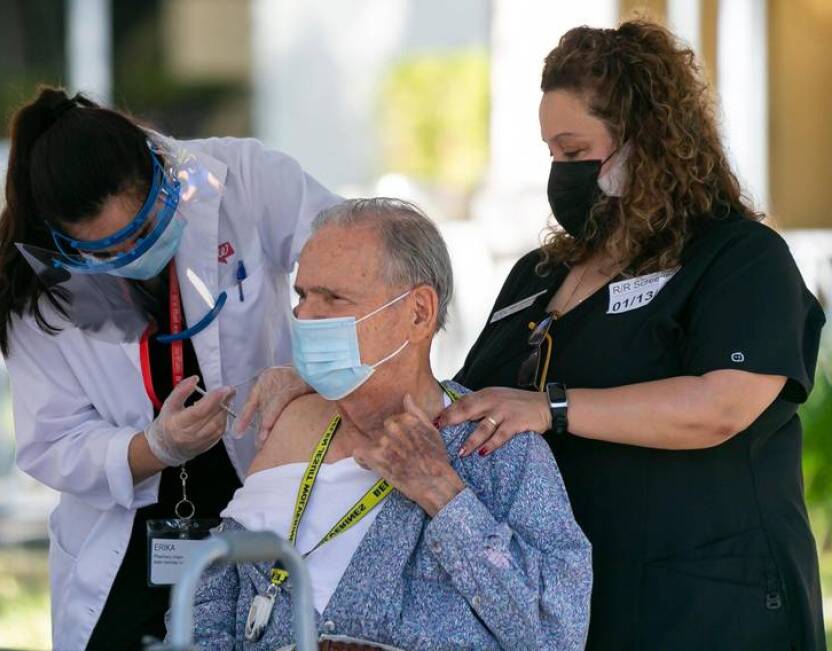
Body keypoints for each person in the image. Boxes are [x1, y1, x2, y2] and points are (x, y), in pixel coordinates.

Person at [241, 21, 827, 650]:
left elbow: (723, 406)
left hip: (709, 603)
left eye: (575, 153)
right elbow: (451, 393)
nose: (561, 173)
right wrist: (322, 365)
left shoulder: (737, 258)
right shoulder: (539, 275)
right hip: (568, 604)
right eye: (551, 154)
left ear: (648, 143)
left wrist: (552, 408)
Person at [0, 87, 339, 650]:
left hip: (260, 501)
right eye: (107, 252)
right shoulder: (41, 285)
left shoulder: (244, 179)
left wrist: (311, 372)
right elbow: (53, 440)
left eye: (144, 228)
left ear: (160, 170)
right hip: (127, 539)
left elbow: (358, 260)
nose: (134, 253)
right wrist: (156, 447)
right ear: (64, 243)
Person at [193, 198, 591, 650]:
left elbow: (553, 632)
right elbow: (207, 607)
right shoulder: (289, 427)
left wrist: (441, 492)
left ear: (418, 312)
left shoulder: (497, 448)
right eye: (302, 295)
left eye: (334, 297)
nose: (304, 316)